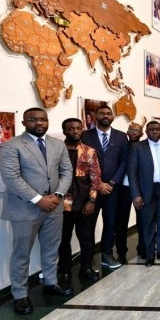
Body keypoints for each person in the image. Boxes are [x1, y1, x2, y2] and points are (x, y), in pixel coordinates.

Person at [0, 107, 73, 315]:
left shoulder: (58, 144)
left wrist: (58, 195)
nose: (39, 123)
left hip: (54, 207)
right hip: (24, 208)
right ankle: (20, 294)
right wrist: (38, 199)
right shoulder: (11, 145)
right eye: (33, 119)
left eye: (43, 119)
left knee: (51, 248)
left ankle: (50, 282)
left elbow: (66, 171)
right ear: (24, 123)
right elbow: (11, 177)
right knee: (21, 254)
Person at [81, 105, 129, 269]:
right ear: (95, 116)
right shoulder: (85, 136)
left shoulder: (121, 136)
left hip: (113, 189)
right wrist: (98, 183)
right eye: (102, 113)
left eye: (109, 113)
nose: (106, 116)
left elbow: (124, 161)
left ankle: (106, 254)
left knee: (110, 223)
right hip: (91, 189)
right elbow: (81, 163)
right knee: (88, 225)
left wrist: (112, 182)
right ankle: (88, 260)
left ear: (112, 117)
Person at [59, 118, 102, 286]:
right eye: (71, 129)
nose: (75, 131)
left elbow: (95, 178)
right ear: (64, 131)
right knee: (63, 239)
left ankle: (86, 268)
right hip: (62, 204)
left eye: (78, 128)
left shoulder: (89, 151)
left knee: (86, 238)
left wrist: (91, 200)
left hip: (84, 202)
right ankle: (64, 271)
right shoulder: (57, 150)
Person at [128, 121, 160, 267]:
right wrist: (136, 194)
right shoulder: (137, 147)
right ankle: (150, 254)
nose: (155, 132)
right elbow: (132, 173)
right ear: (146, 132)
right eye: (151, 129)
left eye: (158, 129)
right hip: (146, 190)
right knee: (148, 223)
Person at [117, 122, 144, 259]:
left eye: (136, 130)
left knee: (142, 220)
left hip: (140, 189)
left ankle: (142, 248)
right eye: (131, 130)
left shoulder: (144, 147)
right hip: (123, 189)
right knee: (121, 221)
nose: (133, 133)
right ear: (127, 132)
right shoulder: (121, 147)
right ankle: (121, 252)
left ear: (142, 134)